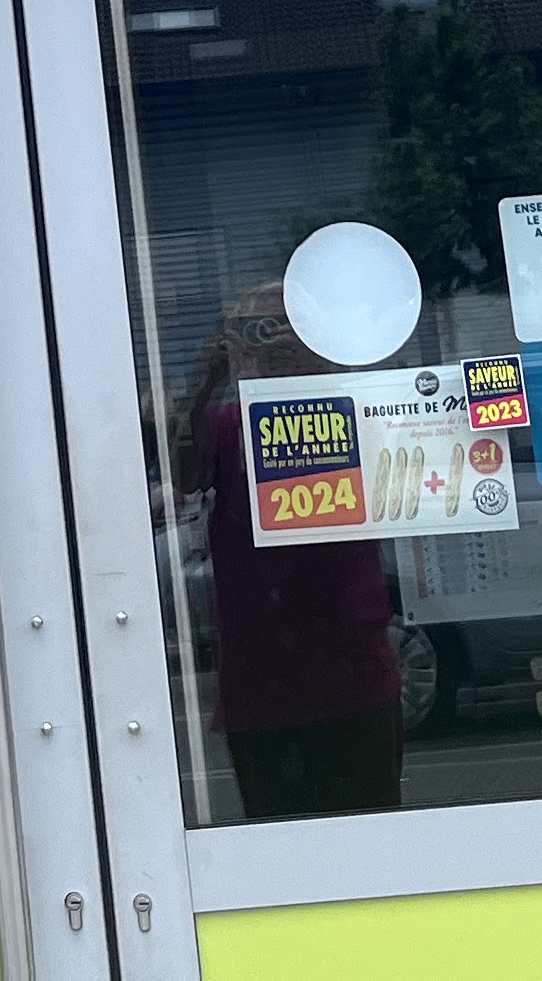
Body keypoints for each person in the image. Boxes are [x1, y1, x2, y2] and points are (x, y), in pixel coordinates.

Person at [169, 281, 403, 817]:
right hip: (260, 677)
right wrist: (208, 377)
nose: (277, 340)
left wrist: (320, 368)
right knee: (273, 840)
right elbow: (185, 473)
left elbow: (403, 466)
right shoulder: (229, 422)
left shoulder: (355, 409)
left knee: (374, 833)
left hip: (354, 669)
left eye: (292, 329)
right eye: (260, 329)